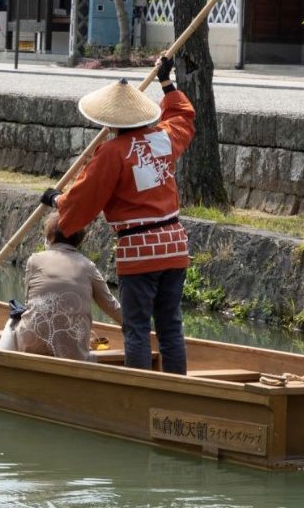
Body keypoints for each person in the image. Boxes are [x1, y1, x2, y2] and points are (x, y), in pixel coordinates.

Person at [39, 55, 195, 374]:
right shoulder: (162, 139)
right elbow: (181, 117)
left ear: (112, 122)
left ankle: (136, 389)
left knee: (135, 328)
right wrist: (167, 82)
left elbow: (84, 198)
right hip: (175, 246)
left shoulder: (112, 153)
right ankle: (179, 389)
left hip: (139, 251)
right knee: (170, 328)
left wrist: (56, 199)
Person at [12, 212, 122, 360]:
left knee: (14, 320)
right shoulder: (88, 267)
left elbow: (28, 302)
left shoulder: (34, 261)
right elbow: (110, 306)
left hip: (31, 346)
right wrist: (135, 327)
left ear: (50, 237)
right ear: (79, 241)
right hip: (72, 353)